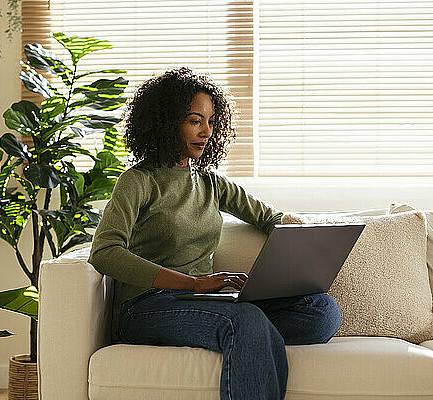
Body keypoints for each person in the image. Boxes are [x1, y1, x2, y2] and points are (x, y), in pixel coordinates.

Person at [88, 66, 342, 400]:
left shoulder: (210, 181)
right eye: (195, 120)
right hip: (146, 307)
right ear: (166, 123)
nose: (206, 131)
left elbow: (270, 218)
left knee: (321, 311)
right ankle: (244, 333)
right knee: (246, 321)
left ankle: (244, 337)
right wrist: (194, 283)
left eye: (211, 121)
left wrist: (305, 250)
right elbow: (105, 252)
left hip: (206, 302)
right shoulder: (138, 181)